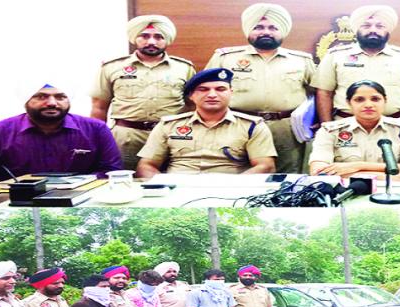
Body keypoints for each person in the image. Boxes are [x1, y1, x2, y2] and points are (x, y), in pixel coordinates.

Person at [0, 83, 122, 201]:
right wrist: (19, 194)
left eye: (60, 97)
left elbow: (112, 174)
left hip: (81, 204)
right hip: (12, 207)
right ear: (25, 100)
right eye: (41, 96)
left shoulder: (96, 129)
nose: (52, 102)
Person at [206, 3, 316, 173]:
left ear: (282, 31)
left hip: (286, 130)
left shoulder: (301, 60)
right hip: (239, 127)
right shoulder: (225, 58)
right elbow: (205, 91)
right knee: (239, 174)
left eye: (273, 27)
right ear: (248, 30)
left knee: (286, 177)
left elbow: (316, 94)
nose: (266, 32)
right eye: (259, 27)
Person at [91, 15, 196, 170]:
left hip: (170, 135)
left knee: (172, 180)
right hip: (127, 136)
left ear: (166, 39)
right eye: (145, 36)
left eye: (158, 37)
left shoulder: (184, 68)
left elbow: (192, 106)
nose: (151, 42)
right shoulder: (112, 67)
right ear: (135, 38)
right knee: (123, 180)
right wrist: (97, 140)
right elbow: (99, 107)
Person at [136, 68, 277, 177]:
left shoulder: (252, 126)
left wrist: (232, 188)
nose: (212, 95)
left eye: (220, 89)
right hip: (178, 189)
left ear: (231, 92)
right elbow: (146, 166)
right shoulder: (168, 125)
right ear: (191, 95)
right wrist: (165, 189)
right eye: (203, 89)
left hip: (231, 190)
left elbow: (265, 166)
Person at [311, 5, 400, 130]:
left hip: (395, 126)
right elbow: (324, 93)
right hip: (345, 128)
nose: (373, 30)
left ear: (388, 31)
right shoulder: (335, 55)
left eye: (380, 26)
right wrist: (327, 128)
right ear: (357, 30)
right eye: (366, 26)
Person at [308, 80, 400, 180]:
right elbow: (318, 171)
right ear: (349, 103)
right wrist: (387, 177)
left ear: (385, 101)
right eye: (359, 99)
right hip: (346, 188)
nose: (368, 105)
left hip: (394, 190)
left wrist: (356, 166)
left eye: (375, 99)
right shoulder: (330, 130)